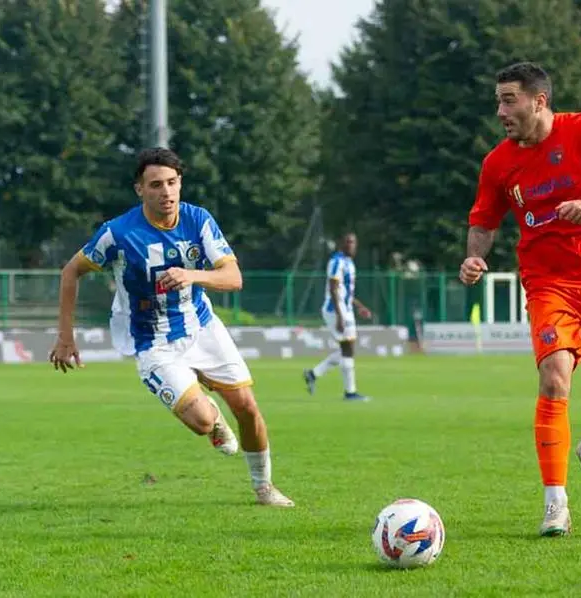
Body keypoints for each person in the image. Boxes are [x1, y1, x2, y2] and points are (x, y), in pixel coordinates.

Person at [460, 62, 581, 536]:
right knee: (554, 379)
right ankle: (556, 503)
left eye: (509, 100)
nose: (500, 110)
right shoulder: (498, 163)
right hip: (547, 283)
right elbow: (484, 221)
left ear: (540, 100)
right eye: (498, 101)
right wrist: (473, 257)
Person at [48, 147, 294, 508]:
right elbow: (71, 271)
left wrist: (191, 275)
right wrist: (66, 337)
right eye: (156, 185)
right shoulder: (117, 233)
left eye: (172, 183)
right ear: (140, 189)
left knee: (248, 407)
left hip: (201, 327)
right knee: (201, 420)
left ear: (180, 184)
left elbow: (233, 277)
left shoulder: (198, 220)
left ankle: (264, 488)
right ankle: (212, 419)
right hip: (152, 343)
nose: (166, 192)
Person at [303, 233, 373, 401]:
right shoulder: (337, 262)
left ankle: (313, 374)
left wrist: (359, 306)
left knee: (346, 349)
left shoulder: (349, 262)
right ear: (341, 244)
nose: (352, 245)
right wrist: (340, 316)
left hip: (345, 309)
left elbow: (345, 291)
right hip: (336, 309)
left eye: (354, 242)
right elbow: (333, 289)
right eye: (348, 242)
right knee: (348, 349)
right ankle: (350, 392)